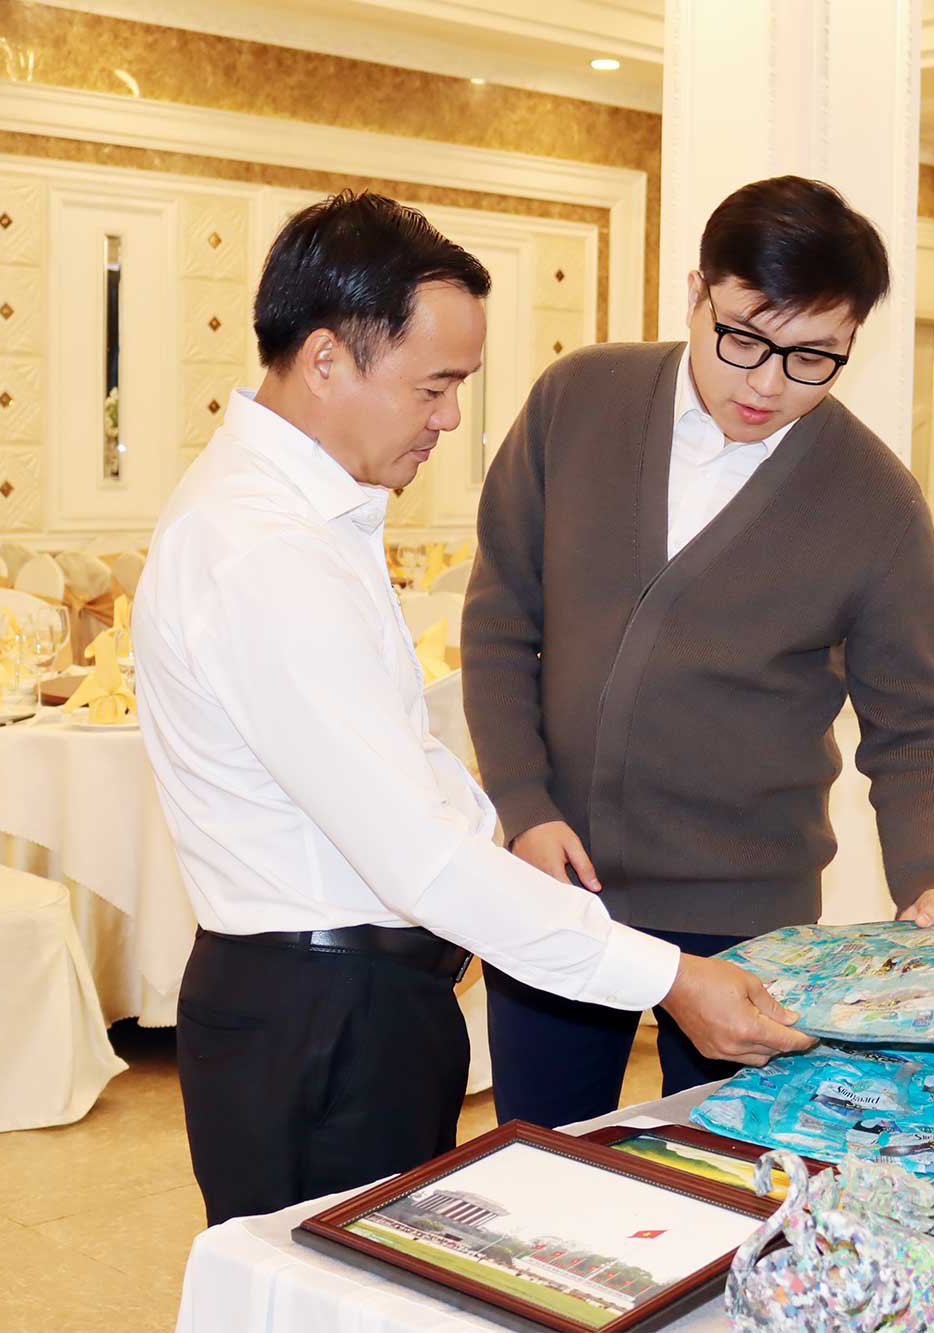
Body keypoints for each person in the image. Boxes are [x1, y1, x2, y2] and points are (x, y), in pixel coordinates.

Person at [134, 192, 810, 1227]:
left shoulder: (305, 515)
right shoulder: (262, 548)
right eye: (435, 386)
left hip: (357, 1003)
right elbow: (419, 859)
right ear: (326, 360)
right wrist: (666, 976)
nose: (450, 419)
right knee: (344, 1288)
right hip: (323, 1018)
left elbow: (402, 774)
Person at [463, 176, 934, 1130]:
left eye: (812, 357)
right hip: (556, 880)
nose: (767, 384)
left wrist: (933, 877)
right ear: (697, 292)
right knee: (541, 1152)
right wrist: (524, 807)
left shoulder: (877, 500)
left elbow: (915, 727)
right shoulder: (579, 401)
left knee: (722, 1167)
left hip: (749, 914)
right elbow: (499, 622)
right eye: (743, 337)